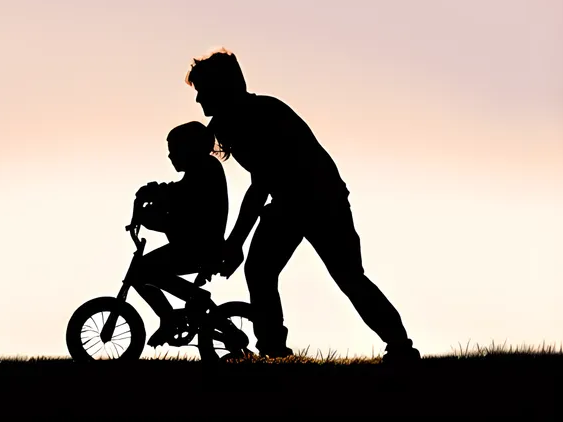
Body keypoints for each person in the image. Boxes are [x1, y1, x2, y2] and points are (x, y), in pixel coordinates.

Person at [184, 48, 420, 363]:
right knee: (265, 271)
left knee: (345, 276)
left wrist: (235, 242)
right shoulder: (230, 121)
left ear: (220, 87)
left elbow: (260, 185)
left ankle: (400, 346)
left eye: (201, 91)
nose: (198, 99)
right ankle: (273, 350)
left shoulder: (256, 114)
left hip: (319, 201)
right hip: (293, 202)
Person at [132, 121, 229, 347]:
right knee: (145, 272)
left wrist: (155, 193)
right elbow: (178, 201)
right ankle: (175, 313)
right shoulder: (202, 169)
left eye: (174, 150)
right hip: (195, 243)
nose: (170, 156)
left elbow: (181, 197)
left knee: (143, 271)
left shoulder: (206, 168)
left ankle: (174, 314)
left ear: (189, 148)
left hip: (200, 246)